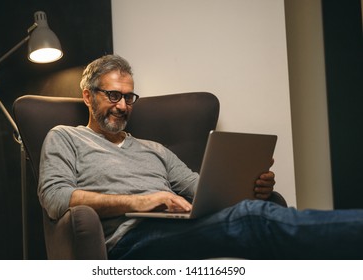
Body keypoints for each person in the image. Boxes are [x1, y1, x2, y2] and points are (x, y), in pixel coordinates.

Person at [39, 54, 363, 259]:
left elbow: (201, 188)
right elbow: (55, 198)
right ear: (87, 95)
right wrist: (138, 202)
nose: (123, 106)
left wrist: (251, 187)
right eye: (113, 95)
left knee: (255, 212)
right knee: (252, 220)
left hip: (175, 230)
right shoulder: (65, 137)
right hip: (131, 244)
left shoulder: (154, 149)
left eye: (129, 97)